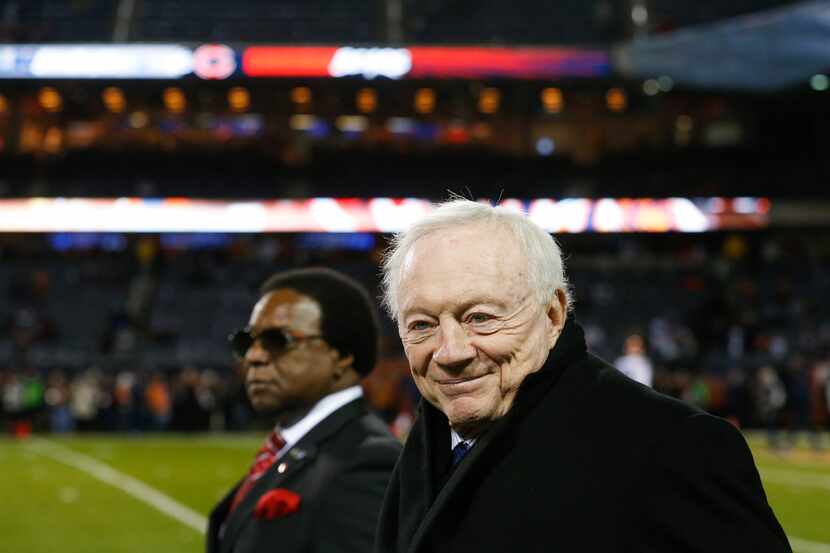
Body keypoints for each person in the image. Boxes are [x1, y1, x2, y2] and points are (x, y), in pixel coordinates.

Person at [374, 199, 790, 553]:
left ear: (553, 313)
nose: (450, 353)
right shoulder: (428, 439)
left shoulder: (675, 447)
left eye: (481, 318)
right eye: (422, 325)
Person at [207, 268, 401, 553]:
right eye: (247, 342)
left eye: (278, 340)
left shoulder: (367, 461)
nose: (254, 356)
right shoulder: (293, 446)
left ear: (342, 355)